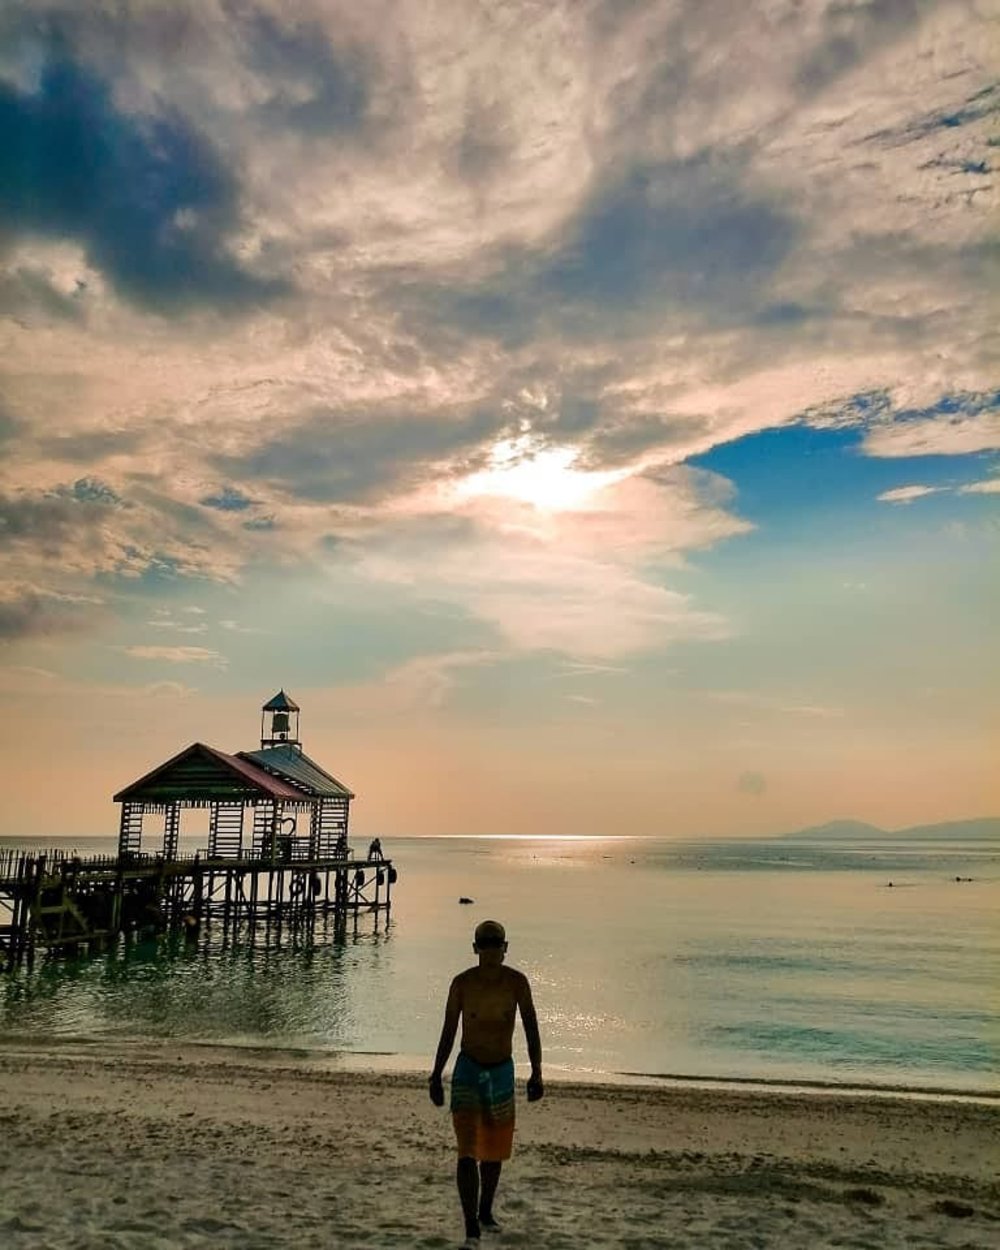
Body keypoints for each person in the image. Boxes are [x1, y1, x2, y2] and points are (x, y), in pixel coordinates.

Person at [429, 919, 543, 1247]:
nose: (492, 948)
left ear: (505, 949)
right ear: (476, 947)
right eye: (486, 942)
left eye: (497, 943)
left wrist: (537, 1071)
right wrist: (436, 1074)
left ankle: (485, 1211)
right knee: (467, 1151)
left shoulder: (517, 983)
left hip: (502, 1072)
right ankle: (470, 1225)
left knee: (494, 1151)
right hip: (467, 1070)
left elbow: (532, 1027)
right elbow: (449, 1031)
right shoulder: (462, 984)